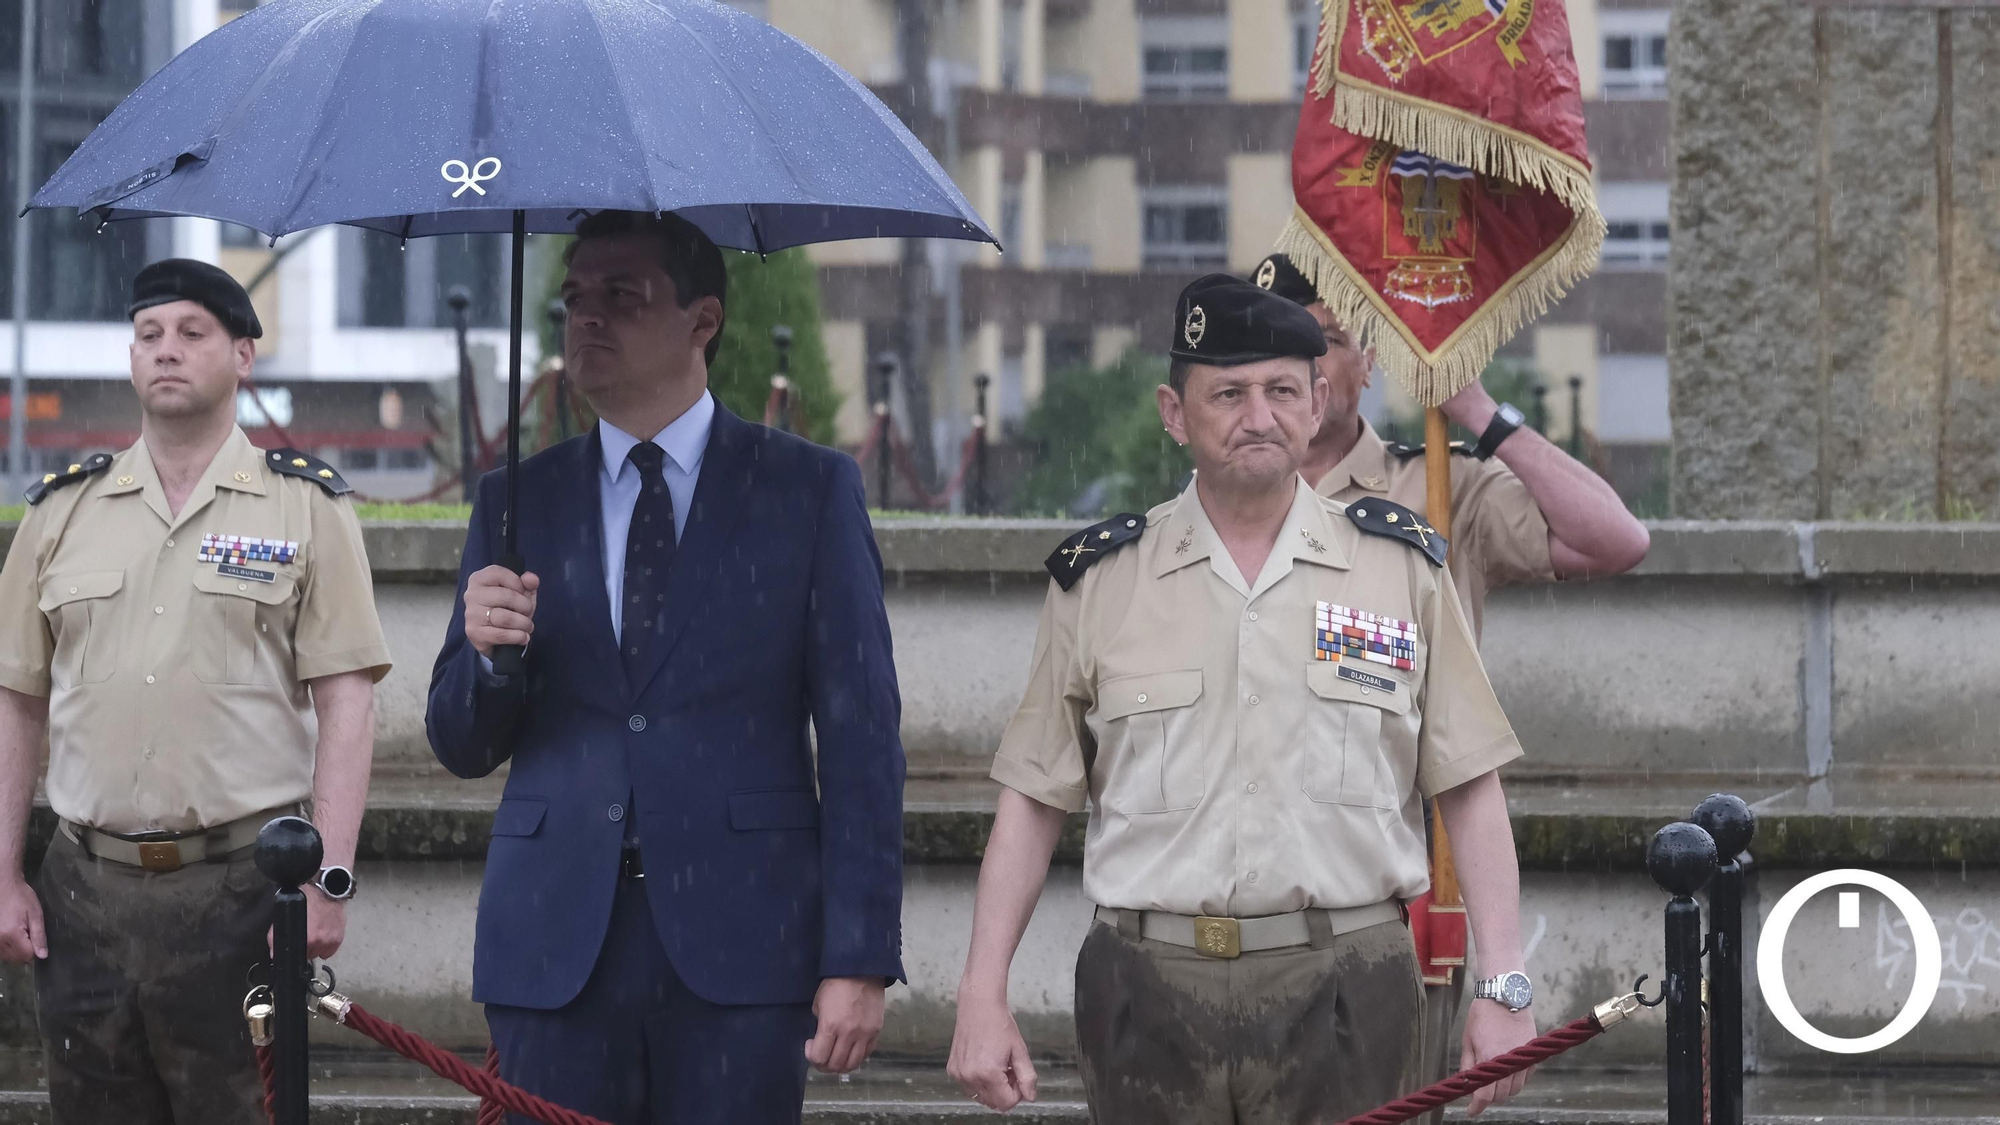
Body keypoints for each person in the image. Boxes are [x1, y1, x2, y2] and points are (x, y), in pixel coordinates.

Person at [947, 274, 1537, 1123]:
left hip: (1347, 986)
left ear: (1317, 399)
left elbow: (1469, 781)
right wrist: (981, 992)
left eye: (1281, 390)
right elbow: (1035, 798)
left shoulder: (1401, 569)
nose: (1258, 415)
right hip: (1147, 987)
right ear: (1174, 412)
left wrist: (1504, 979)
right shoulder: (1103, 581)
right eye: (1227, 393)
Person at [425, 210, 906, 1125]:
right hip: (555, 946)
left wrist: (859, 955)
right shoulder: (518, 499)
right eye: (574, 300)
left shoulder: (806, 491)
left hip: (744, 948)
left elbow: (861, 740)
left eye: (621, 296)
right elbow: (458, 742)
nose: (587, 319)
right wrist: (489, 662)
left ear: (704, 322)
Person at [1254, 250, 1648, 1115]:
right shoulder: (1224, 506)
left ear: (1369, 361)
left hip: (1398, 912)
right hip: (1247, 913)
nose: (1307, 370)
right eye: (1282, 348)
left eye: (1327, 342)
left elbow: (1615, 539)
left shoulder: (1432, 488)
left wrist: (1473, 408)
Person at [0, 259, 390, 1124]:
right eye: (148, 335)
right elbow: (16, 701)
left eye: (192, 333)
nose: (165, 351)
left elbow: (349, 704)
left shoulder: (306, 510)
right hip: (84, 894)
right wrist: (1, 875)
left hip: (240, 894)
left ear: (243, 356)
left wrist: (328, 879)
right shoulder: (62, 512)